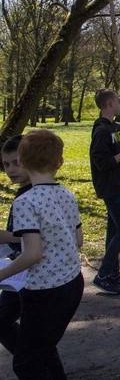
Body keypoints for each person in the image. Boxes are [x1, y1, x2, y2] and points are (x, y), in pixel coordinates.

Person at [0, 130, 84, 378]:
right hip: (72, 285)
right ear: (59, 162)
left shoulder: (26, 202)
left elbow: (33, 254)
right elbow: (77, 240)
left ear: (23, 162)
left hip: (44, 291)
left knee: (26, 364)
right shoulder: (67, 194)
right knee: (41, 352)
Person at [89, 88, 120, 295]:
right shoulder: (101, 131)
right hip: (109, 186)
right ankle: (103, 274)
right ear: (109, 103)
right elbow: (101, 163)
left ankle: (113, 273)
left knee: (113, 229)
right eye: (118, 102)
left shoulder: (117, 128)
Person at [0, 136, 31, 356]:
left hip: (28, 275)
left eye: (16, 163)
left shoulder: (32, 196)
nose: (11, 170)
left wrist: (7, 237)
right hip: (19, 271)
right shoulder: (22, 192)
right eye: (6, 164)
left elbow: (44, 241)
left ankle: (29, 362)